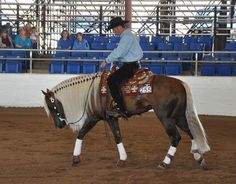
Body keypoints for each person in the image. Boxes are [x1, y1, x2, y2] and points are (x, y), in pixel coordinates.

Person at [100, 17, 143, 118]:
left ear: (119, 27)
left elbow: (120, 51)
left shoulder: (126, 37)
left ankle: (122, 109)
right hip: (132, 64)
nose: (114, 32)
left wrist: (106, 60)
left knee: (111, 80)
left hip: (130, 66)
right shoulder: (130, 35)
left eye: (114, 29)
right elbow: (125, 51)